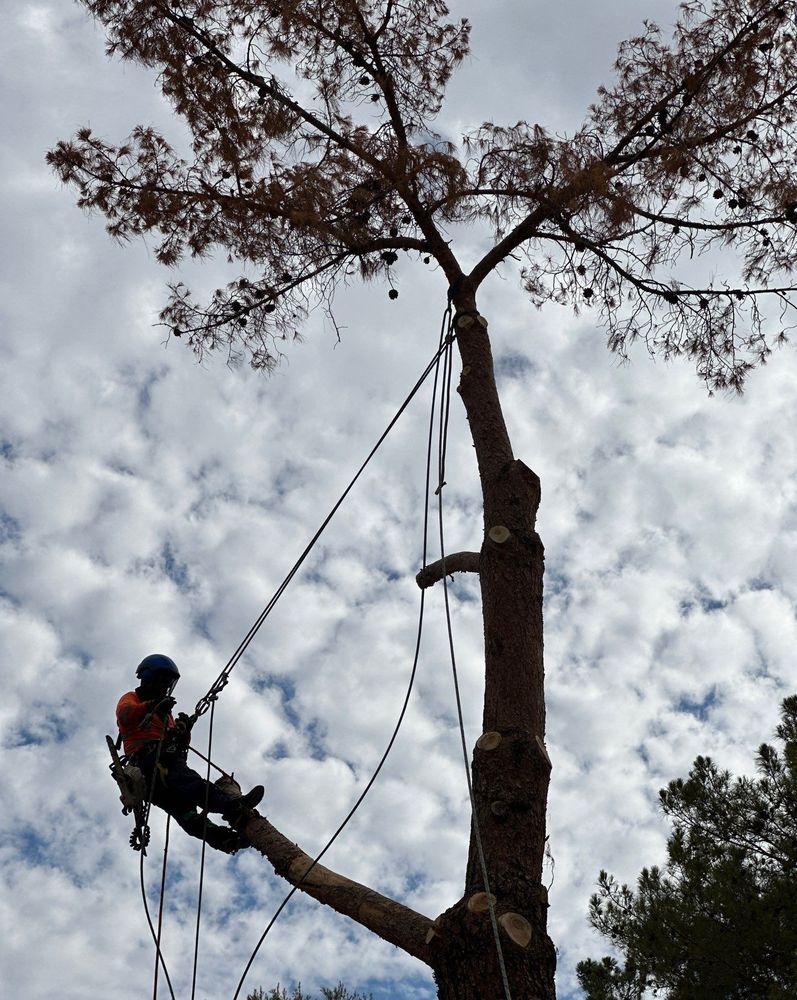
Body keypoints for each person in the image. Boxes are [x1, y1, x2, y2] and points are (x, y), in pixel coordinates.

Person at [116, 654, 264, 854]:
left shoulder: (165, 713)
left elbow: (181, 747)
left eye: (169, 683)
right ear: (149, 676)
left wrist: (184, 730)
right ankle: (232, 807)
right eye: (163, 681)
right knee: (192, 784)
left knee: (186, 812)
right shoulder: (133, 699)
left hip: (161, 769)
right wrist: (152, 706)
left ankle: (224, 839)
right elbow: (125, 714)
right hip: (150, 763)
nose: (166, 687)